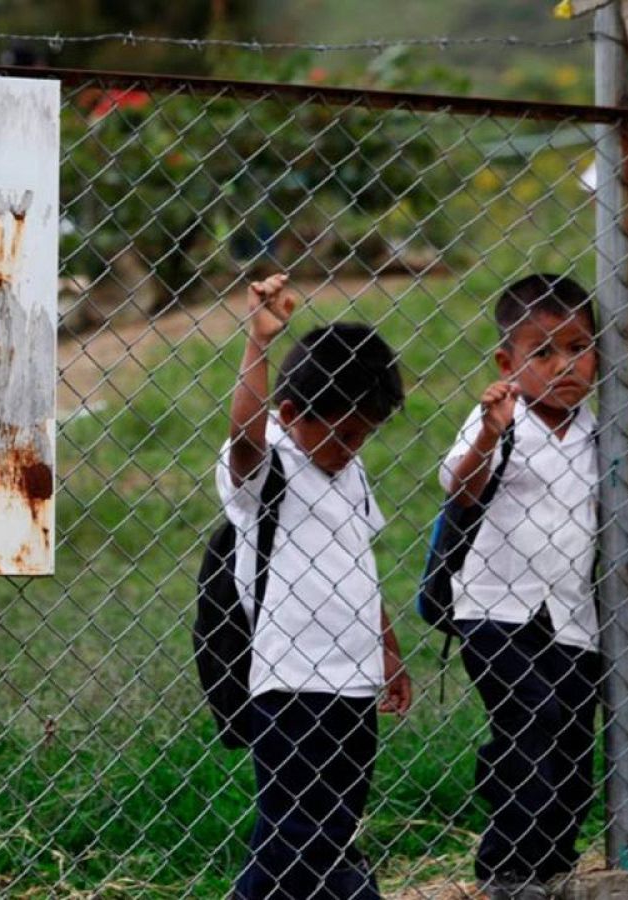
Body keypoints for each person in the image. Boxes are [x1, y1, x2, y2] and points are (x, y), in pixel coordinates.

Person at [440, 274, 628, 900]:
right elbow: (461, 490)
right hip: (495, 610)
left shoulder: (602, 432)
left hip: (574, 617)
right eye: (542, 352)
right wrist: (490, 433)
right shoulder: (500, 419)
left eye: (578, 348)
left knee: (575, 739)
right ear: (507, 362)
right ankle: (507, 867)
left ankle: (552, 863)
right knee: (530, 719)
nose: (564, 365)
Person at [219, 274, 412, 900]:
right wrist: (258, 344)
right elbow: (243, 437)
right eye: (339, 433)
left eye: (362, 435)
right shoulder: (268, 467)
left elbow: (361, 564)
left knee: (325, 822)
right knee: (303, 827)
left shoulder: (350, 475)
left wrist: (388, 647)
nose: (351, 448)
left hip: (352, 683)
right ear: (291, 413)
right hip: (290, 682)